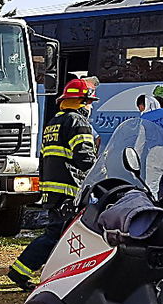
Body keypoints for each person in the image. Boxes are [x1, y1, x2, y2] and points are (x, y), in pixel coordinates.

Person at [8, 78, 98, 290]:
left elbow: (45, 157)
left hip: (53, 188)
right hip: (69, 189)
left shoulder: (53, 123)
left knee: (58, 234)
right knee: (58, 236)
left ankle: (26, 271)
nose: (91, 107)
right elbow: (84, 157)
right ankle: (21, 272)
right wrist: (98, 168)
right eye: (89, 102)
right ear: (82, 101)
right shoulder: (78, 122)